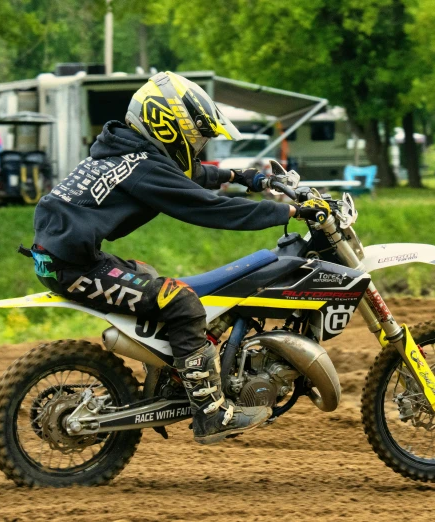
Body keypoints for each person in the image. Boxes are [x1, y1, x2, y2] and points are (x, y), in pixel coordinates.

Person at [26, 71, 323, 444]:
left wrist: (246, 177)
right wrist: (288, 213)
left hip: (63, 256)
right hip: (74, 266)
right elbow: (208, 208)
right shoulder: (142, 167)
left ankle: (173, 373)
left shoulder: (126, 150)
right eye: (196, 137)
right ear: (169, 127)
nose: (198, 146)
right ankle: (211, 413)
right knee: (181, 301)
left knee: (151, 278)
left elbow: (187, 175)